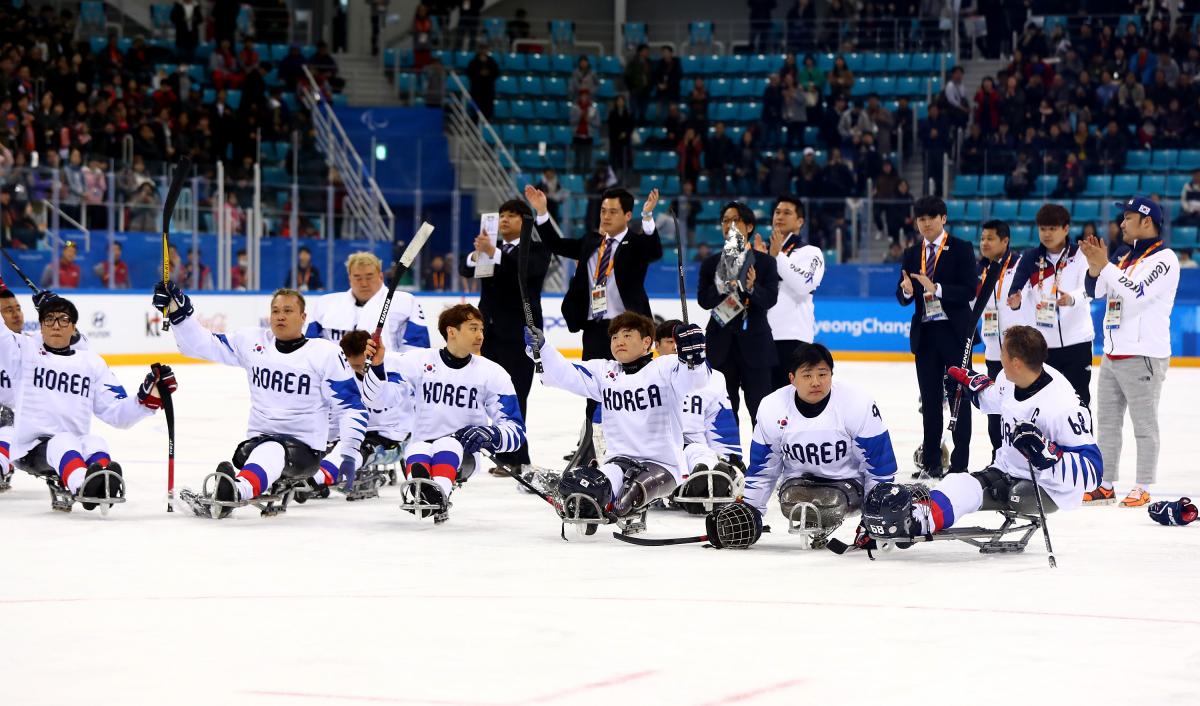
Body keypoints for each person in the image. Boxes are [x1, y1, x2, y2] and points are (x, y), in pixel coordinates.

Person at [868, 326, 1102, 545]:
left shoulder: (1064, 406)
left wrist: (1047, 453)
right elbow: (994, 398)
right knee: (960, 482)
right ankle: (918, 518)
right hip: (1006, 469)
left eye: (1003, 353)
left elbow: (1093, 471)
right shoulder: (1010, 378)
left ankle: (919, 519)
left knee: (1017, 495)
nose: (999, 357)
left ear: (1017, 363)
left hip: (1045, 485)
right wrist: (970, 386)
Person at [157, 283, 367, 517]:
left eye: (288, 311)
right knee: (268, 448)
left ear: (303, 317)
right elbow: (200, 345)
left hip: (305, 452)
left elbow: (352, 407)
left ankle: (236, 490)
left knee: (273, 449)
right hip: (255, 444)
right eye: (276, 311)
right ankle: (237, 486)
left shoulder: (324, 354)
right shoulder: (253, 342)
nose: (280, 316)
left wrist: (349, 452)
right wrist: (179, 315)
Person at [527, 312, 708, 531]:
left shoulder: (666, 367)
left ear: (646, 342)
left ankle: (614, 507)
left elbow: (695, 380)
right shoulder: (605, 372)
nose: (619, 341)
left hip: (663, 464)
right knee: (587, 491)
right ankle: (597, 506)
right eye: (614, 337)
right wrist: (543, 349)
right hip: (619, 462)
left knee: (629, 496)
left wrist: (694, 358)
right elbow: (565, 373)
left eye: (627, 335)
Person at [526, 184, 662, 459]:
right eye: (603, 211)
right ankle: (590, 447)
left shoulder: (635, 245)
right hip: (596, 329)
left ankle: (634, 445)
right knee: (594, 390)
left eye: (613, 211)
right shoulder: (592, 242)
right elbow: (558, 245)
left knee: (633, 389)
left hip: (629, 329)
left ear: (627, 215)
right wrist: (542, 212)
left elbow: (654, 250)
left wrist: (647, 217)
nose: (606, 216)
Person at [0, 295, 173, 509]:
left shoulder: (91, 363)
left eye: (63, 319)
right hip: (30, 450)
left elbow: (117, 414)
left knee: (95, 443)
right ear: (40, 328)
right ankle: (84, 486)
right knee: (64, 442)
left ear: (73, 328)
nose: (56, 325)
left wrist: (148, 400)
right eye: (49, 319)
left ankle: (103, 484)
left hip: (71, 448)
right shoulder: (24, 352)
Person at [359, 304, 526, 521]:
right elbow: (378, 400)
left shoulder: (492, 373)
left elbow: (516, 430)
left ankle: (436, 496)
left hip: (465, 455)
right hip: (423, 445)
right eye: (473, 328)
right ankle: (427, 493)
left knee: (448, 444)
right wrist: (378, 366)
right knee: (417, 447)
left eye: (481, 329)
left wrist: (492, 435)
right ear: (451, 331)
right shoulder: (418, 362)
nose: (480, 335)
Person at [742, 342, 898, 547]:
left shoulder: (857, 403)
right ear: (792, 379)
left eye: (823, 374)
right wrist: (750, 513)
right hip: (798, 486)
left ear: (832, 375)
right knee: (791, 501)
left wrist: (873, 520)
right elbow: (763, 469)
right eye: (807, 375)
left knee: (831, 501)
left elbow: (879, 466)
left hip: (849, 484)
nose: (816, 382)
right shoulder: (772, 406)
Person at [1079, 196, 1181, 508]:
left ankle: (1143, 485)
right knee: (1108, 424)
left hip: (1143, 354)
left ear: (1146, 221)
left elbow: (1135, 294)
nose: (1121, 224)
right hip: (1113, 352)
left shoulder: (1164, 260)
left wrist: (1106, 266)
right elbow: (1095, 292)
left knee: (1144, 425)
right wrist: (1096, 267)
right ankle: (1105, 484)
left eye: (1127, 218)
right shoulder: (1125, 257)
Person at [460, 198, 550, 474]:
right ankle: (501, 452)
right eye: (501, 215)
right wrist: (479, 254)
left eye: (512, 215)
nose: (505, 220)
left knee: (517, 393)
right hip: (490, 333)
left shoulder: (536, 250)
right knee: (491, 392)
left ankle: (518, 457)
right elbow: (466, 269)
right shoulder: (492, 249)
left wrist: (494, 253)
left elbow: (523, 272)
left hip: (520, 333)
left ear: (525, 221)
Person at [896, 196, 979, 478]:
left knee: (960, 397)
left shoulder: (961, 248)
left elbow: (970, 290)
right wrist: (907, 291)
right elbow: (903, 295)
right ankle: (931, 463)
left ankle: (960, 464)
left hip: (954, 333)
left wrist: (938, 288)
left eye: (931, 217)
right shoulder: (911, 253)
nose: (926, 223)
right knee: (930, 401)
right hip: (927, 334)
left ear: (943, 218)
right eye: (921, 219)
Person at [698, 201, 780, 425]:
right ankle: (728, 458)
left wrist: (751, 288)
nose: (729, 225)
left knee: (762, 412)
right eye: (725, 220)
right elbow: (704, 301)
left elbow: (770, 300)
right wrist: (721, 285)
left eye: (735, 220)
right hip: (721, 345)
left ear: (750, 226)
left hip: (756, 345)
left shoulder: (765, 263)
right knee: (723, 411)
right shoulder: (711, 264)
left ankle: (763, 460)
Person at [1005, 204, 1094, 407]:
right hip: (1042, 345)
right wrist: (1015, 301)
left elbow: (1090, 288)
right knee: (1043, 402)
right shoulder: (1030, 258)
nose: (1047, 234)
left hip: (1077, 342)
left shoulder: (1080, 255)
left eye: (1052, 228)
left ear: (1066, 229)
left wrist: (1071, 298)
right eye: (1043, 228)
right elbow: (1016, 289)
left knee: (1079, 400)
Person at [655, 319, 741, 512]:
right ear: (656, 346)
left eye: (682, 342)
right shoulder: (645, 376)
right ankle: (690, 491)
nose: (677, 347)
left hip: (694, 445)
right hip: (658, 448)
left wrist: (730, 457)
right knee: (678, 461)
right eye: (671, 341)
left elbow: (719, 422)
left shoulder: (713, 378)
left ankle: (709, 483)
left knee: (703, 457)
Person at [305, 251, 430, 353]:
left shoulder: (405, 302)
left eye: (369, 277)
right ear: (349, 278)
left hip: (386, 377)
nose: (364, 283)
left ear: (380, 276)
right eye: (357, 277)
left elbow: (418, 349)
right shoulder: (326, 304)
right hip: (338, 380)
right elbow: (312, 347)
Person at [976, 220, 1028, 455]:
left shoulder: (1021, 266)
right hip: (994, 355)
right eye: (982, 238)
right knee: (995, 411)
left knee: (1022, 408)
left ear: (1005, 241)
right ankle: (999, 458)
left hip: (1020, 355)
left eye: (990, 238)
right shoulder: (980, 270)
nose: (984, 243)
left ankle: (1023, 459)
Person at [766, 195, 824, 391]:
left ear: (800, 221)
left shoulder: (810, 252)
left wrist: (777, 257)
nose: (779, 217)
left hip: (793, 337)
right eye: (777, 212)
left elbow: (803, 284)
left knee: (790, 404)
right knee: (762, 405)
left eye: (787, 213)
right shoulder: (763, 251)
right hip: (761, 337)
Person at [465, 46, 500, 120]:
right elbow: (470, 73)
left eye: (485, 49)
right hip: (477, 90)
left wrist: (488, 73)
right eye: (482, 49)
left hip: (488, 90)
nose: (484, 51)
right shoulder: (474, 62)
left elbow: (496, 72)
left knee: (487, 110)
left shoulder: (491, 61)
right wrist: (479, 73)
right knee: (476, 110)